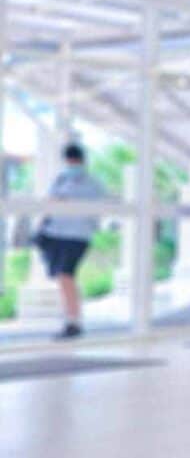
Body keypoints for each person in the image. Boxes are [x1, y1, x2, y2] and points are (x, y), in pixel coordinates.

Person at [35, 143, 107, 340]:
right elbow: (50, 202)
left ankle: (73, 322)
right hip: (56, 234)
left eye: (74, 160)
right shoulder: (61, 178)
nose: (72, 164)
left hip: (76, 236)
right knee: (62, 277)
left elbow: (95, 207)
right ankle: (70, 318)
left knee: (66, 276)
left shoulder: (92, 183)